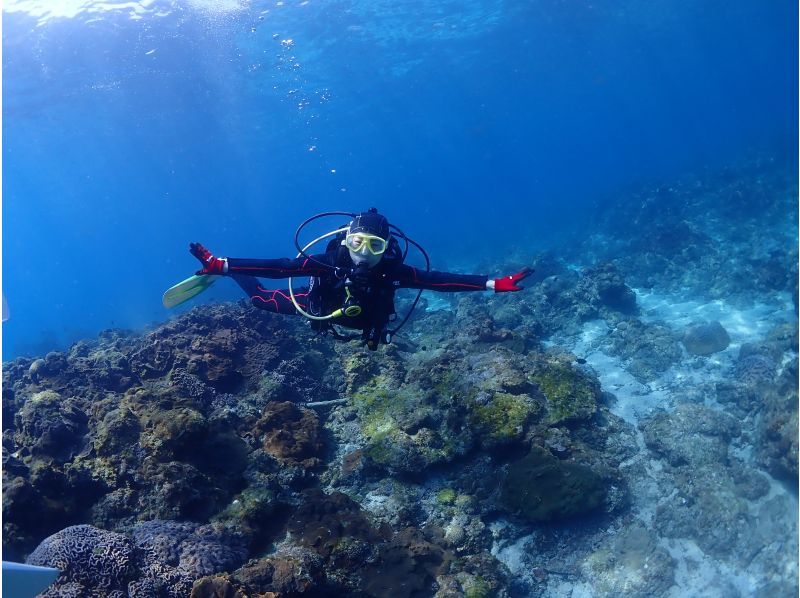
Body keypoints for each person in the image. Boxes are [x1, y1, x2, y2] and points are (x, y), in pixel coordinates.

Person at [188, 208, 532, 350]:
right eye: (357, 243)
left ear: (386, 247)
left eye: (374, 245)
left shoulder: (393, 271)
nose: (364, 253)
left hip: (368, 325)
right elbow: (281, 267)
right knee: (260, 299)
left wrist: (492, 284)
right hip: (318, 308)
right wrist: (224, 265)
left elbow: (438, 280)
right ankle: (224, 277)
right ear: (347, 240)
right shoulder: (327, 263)